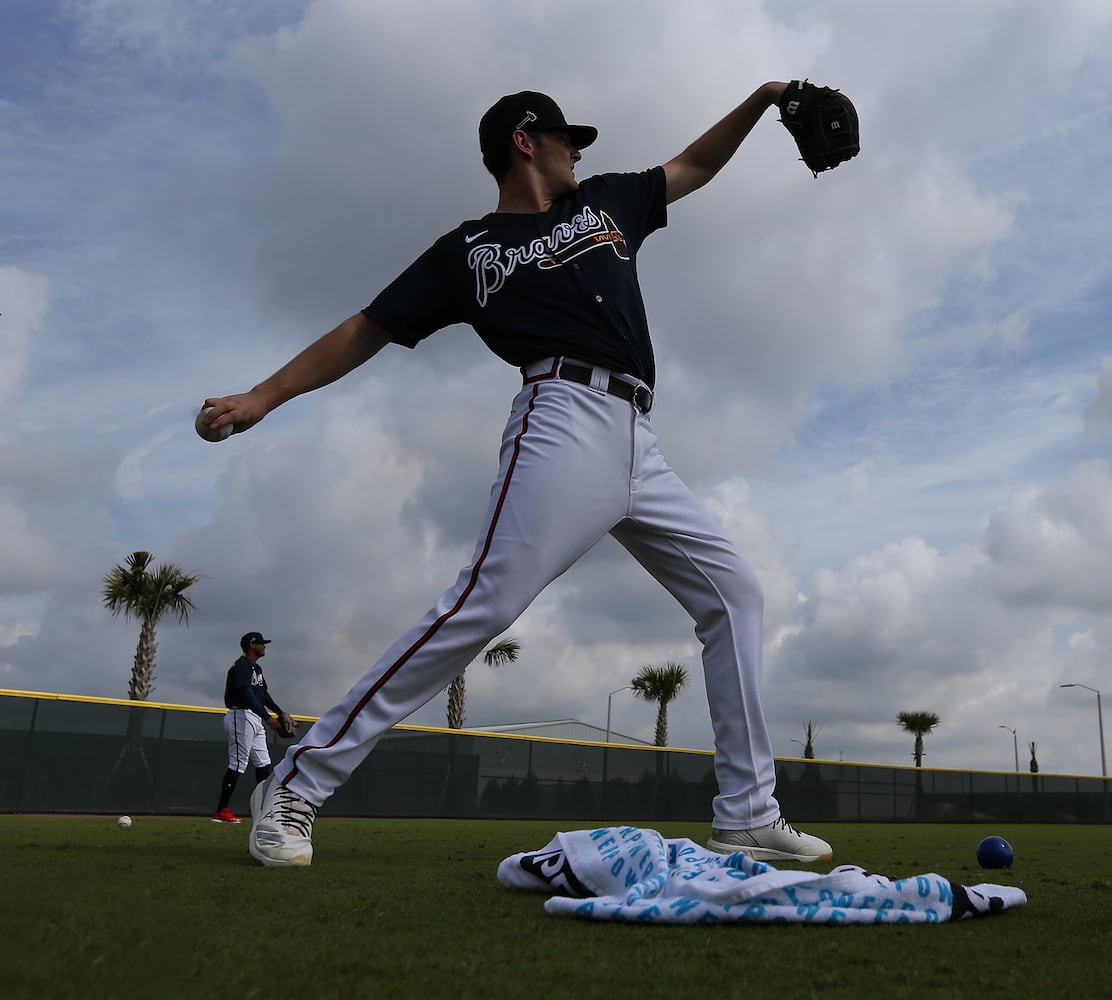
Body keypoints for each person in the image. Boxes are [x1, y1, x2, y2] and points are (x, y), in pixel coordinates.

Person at [201, 84, 834, 867]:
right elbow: (365, 328)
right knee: (482, 603)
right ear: (526, 141)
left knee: (735, 593)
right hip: (561, 416)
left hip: (641, 434)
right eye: (568, 137)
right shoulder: (469, 250)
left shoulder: (608, 202)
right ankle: (296, 782)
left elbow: (694, 164)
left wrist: (766, 98)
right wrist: (264, 396)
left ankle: (746, 813)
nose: (581, 150)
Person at [211, 631, 295, 824]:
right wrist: (267, 716)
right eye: (261, 643)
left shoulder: (256, 669)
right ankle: (221, 810)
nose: (264, 646)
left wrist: (280, 713)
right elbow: (247, 694)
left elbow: (263, 695)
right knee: (238, 763)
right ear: (251, 645)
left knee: (264, 763)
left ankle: (263, 810)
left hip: (254, 717)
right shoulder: (241, 667)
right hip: (241, 715)